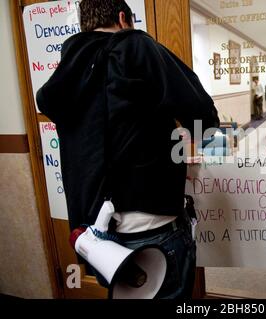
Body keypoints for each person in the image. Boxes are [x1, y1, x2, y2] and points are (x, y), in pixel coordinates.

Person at [36, 0, 219, 298]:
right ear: (124, 19)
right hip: (153, 231)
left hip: (99, 238)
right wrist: (189, 140)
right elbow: (203, 116)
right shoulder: (135, 46)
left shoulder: (68, 69)